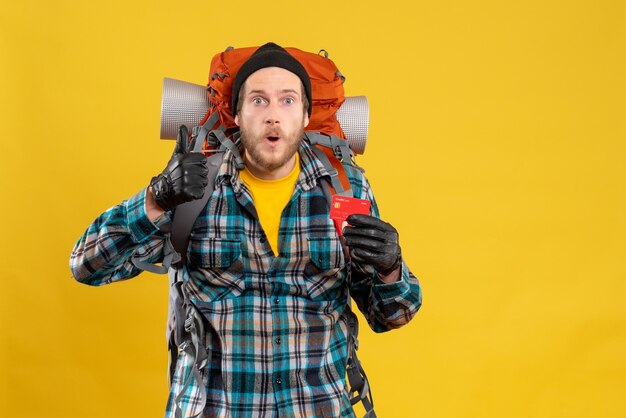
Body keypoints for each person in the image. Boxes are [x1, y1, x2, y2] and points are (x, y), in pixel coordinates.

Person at [70, 42, 422, 418]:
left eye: (287, 101)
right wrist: (155, 200)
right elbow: (87, 266)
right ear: (237, 113)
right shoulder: (194, 188)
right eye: (258, 100)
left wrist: (390, 269)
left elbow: (392, 316)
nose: (273, 115)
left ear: (305, 115)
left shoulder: (345, 187)